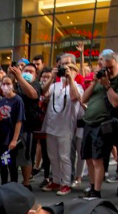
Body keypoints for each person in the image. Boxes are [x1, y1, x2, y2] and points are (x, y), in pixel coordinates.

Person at [80, 52, 118, 199]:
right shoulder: (99, 80)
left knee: (98, 159)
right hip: (89, 122)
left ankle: (96, 191)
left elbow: (116, 102)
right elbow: (83, 98)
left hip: (103, 124)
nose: (107, 71)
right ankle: (91, 186)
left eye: (111, 67)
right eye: (105, 67)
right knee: (89, 158)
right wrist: (96, 81)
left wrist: (107, 85)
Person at [41, 56, 83, 196]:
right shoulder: (55, 85)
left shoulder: (78, 87)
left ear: (75, 71)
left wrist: (70, 79)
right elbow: (44, 92)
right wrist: (52, 78)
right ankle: (56, 180)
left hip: (66, 127)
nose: (67, 70)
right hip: (51, 125)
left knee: (64, 157)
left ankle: (65, 183)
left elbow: (75, 97)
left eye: (71, 68)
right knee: (53, 156)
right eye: (64, 67)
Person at [0, 75, 25, 185]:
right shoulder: (1, 101)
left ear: (13, 85)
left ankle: (14, 186)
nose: (5, 86)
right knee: (3, 163)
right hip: (2, 137)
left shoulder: (17, 100)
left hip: (11, 137)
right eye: (3, 84)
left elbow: (19, 121)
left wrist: (14, 140)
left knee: (12, 165)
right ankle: (4, 185)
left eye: (8, 84)